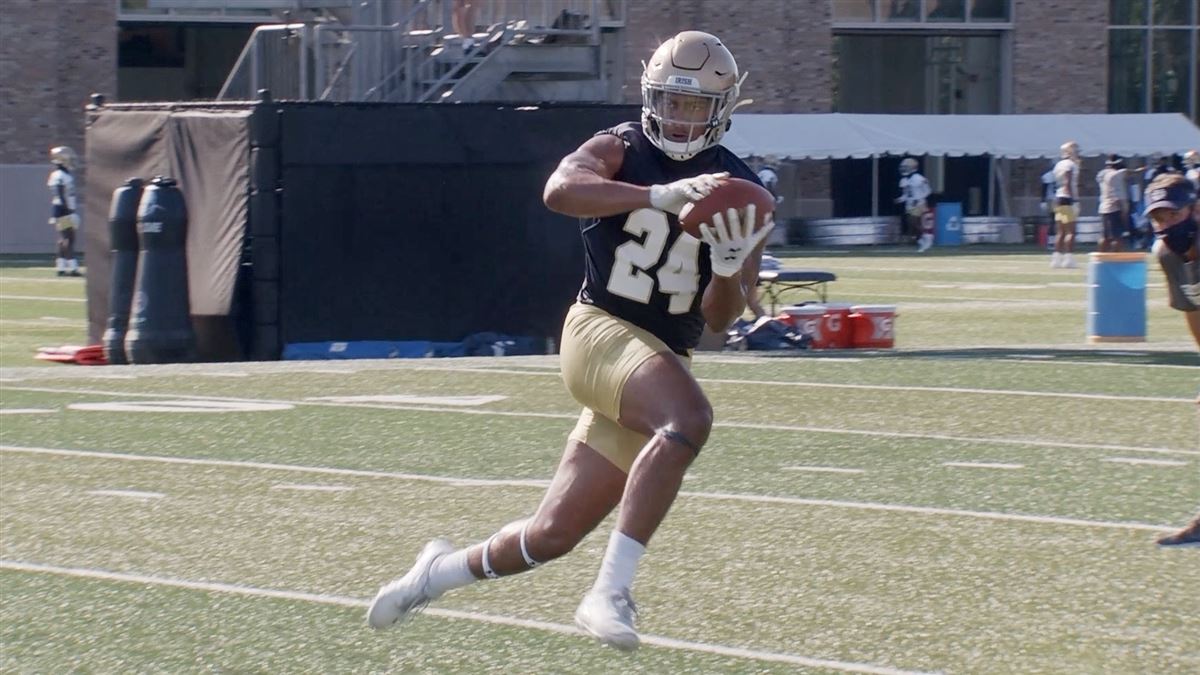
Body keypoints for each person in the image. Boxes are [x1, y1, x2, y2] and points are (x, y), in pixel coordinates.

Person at [366, 30, 772, 651]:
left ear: (722, 110)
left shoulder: (743, 193)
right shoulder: (622, 146)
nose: (678, 118)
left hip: (660, 358)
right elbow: (560, 190)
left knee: (550, 536)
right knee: (690, 417)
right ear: (648, 97)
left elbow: (720, 319)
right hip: (599, 330)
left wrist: (726, 263)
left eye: (694, 106)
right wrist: (655, 195)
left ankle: (435, 573)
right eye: (669, 101)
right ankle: (609, 593)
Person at [1143, 172, 1200, 348]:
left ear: (1196, 209)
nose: (1167, 225)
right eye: (1158, 219)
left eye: (1174, 214)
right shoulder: (1167, 254)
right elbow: (1192, 307)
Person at [47, 146, 81, 277]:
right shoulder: (59, 175)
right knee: (69, 238)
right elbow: (60, 194)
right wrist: (69, 212)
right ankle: (72, 267)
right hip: (63, 209)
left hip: (63, 208)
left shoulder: (62, 174)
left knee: (63, 238)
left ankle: (61, 266)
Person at [1050, 141, 1081, 268]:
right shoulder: (1070, 164)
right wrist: (1074, 200)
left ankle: (1056, 258)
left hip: (1058, 197)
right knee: (1070, 231)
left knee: (1060, 231)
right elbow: (1068, 182)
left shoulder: (1058, 164)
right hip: (1067, 198)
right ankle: (1068, 258)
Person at [895, 157, 933, 252]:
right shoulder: (903, 180)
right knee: (911, 224)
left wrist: (919, 199)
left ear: (913, 167)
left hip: (919, 203)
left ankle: (926, 239)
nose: (904, 169)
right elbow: (906, 194)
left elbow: (928, 191)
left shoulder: (919, 178)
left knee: (913, 221)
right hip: (909, 204)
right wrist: (900, 199)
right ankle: (921, 240)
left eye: (906, 167)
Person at [1094, 155, 1128, 252]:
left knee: (1105, 236)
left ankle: (1101, 257)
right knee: (1117, 237)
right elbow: (1117, 194)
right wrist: (1123, 210)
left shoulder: (1101, 174)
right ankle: (1115, 258)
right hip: (1115, 207)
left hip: (1104, 207)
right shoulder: (1115, 175)